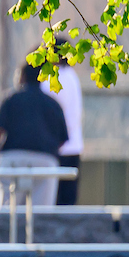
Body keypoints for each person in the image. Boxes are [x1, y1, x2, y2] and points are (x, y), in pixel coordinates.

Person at [0, 62, 68, 209]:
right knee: (41, 215)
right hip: (45, 161)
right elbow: (62, 140)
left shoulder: (10, 99)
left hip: (13, 159)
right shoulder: (53, 104)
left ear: (22, 76)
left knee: (7, 213)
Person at [49, 50, 86, 205]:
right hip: (74, 146)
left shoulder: (54, 77)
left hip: (57, 147)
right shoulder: (72, 77)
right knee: (68, 200)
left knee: (53, 199)